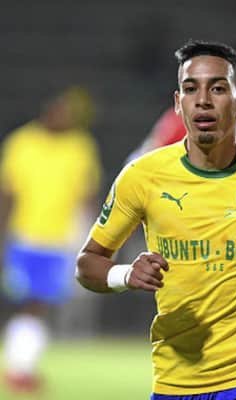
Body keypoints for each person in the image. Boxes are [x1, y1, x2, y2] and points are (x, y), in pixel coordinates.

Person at [76, 40, 236, 400]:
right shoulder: (141, 177)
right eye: (190, 89)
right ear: (177, 103)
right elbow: (87, 263)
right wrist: (125, 275)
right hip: (174, 382)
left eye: (217, 88)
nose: (202, 100)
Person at [0, 87, 102, 393]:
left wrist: (91, 236)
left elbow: (87, 195)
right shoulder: (23, 142)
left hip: (60, 240)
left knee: (36, 303)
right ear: (51, 109)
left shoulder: (79, 146)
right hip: (26, 236)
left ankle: (21, 367)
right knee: (32, 302)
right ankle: (19, 369)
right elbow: (7, 193)